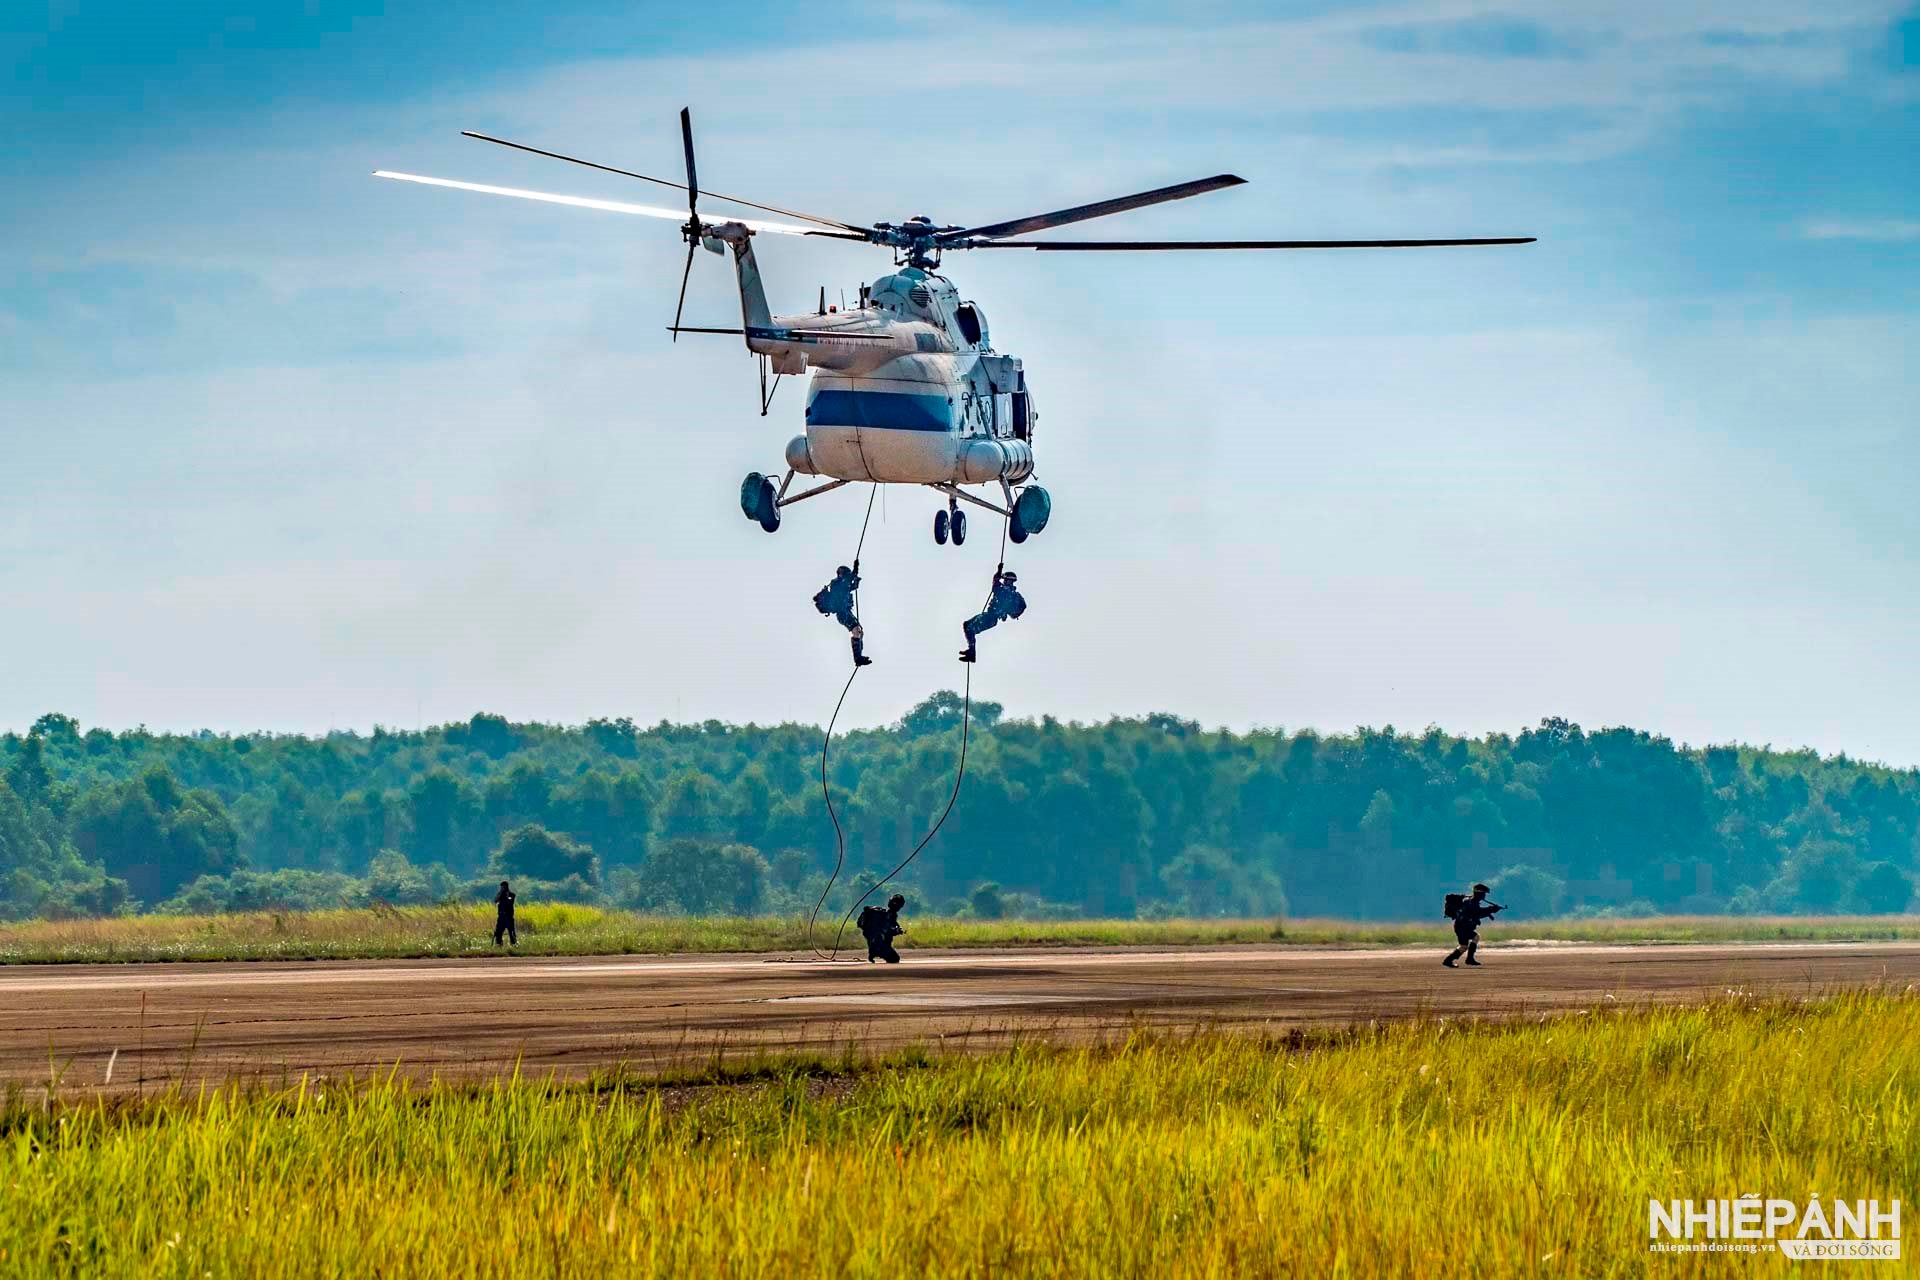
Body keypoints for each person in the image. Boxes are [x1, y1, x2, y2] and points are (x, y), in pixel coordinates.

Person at [959, 569, 1026, 662]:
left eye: (1005, 579)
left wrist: (998, 571)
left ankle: (971, 653)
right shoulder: (1014, 595)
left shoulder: (1003, 591)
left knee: (969, 628)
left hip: (990, 617)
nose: (1004, 581)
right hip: (990, 617)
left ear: (1009, 581)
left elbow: (995, 582)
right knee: (967, 625)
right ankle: (971, 651)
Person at [813, 563, 872, 667]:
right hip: (842, 613)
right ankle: (858, 658)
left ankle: (859, 656)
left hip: (846, 612)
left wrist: (856, 579)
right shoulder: (836, 583)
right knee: (856, 631)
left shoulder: (843, 585)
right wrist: (855, 570)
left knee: (860, 632)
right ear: (842, 574)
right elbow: (848, 581)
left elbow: (852, 586)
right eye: (846, 574)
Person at [1443, 882, 1502, 967]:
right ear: (1479, 894)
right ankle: (1449, 961)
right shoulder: (1471, 903)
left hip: (1464, 927)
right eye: (1483, 893)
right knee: (1463, 946)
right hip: (1462, 928)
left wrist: (1490, 910)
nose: (1484, 896)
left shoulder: (1471, 901)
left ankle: (1469, 959)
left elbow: (1477, 913)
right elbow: (1477, 914)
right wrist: (1491, 910)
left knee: (1475, 938)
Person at [858, 893, 907, 964]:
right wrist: (896, 930)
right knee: (894, 958)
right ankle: (876, 951)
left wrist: (897, 929)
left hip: (877, 942)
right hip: (879, 944)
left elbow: (891, 926)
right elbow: (887, 928)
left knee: (893, 957)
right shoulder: (887, 916)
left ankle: (874, 952)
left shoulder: (889, 915)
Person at [493, 880, 517, 947]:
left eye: (504, 887)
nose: (503, 888)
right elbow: (495, 900)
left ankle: (514, 944)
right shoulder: (500, 895)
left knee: (511, 932)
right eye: (502, 887)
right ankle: (499, 944)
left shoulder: (511, 895)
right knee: (498, 932)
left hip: (509, 916)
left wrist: (507, 895)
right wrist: (500, 893)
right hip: (501, 916)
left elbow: (510, 901)